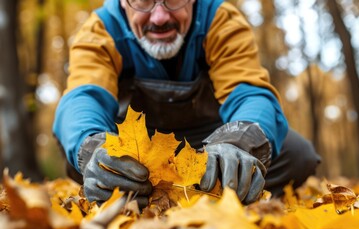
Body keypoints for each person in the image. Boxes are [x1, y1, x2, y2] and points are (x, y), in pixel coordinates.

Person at [53, 0, 321, 207]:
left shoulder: (221, 20)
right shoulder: (100, 31)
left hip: (214, 148)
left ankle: (215, 187)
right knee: (86, 162)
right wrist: (92, 146)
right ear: (123, 1)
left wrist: (238, 144)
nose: (160, 17)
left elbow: (249, 92)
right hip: (140, 159)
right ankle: (145, 190)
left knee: (298, 155)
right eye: (143, 2)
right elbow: (82, 97)